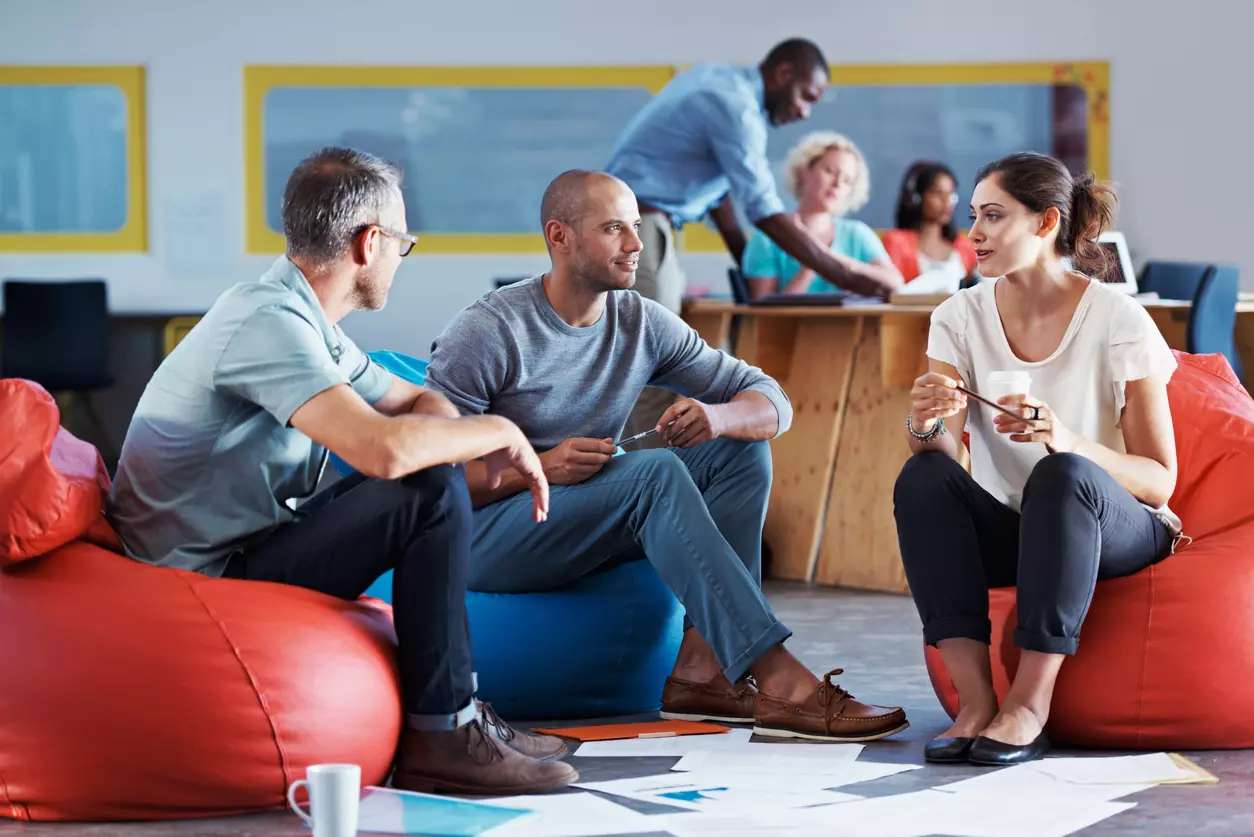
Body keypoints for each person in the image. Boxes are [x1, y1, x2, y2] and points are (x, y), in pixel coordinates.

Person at [106, 147, 578, 795]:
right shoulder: (267, 324)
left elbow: (410, 399)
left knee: (429, 475)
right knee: (431, 488)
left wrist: (445, 433)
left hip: (246, 546)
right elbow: (382, 451)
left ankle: (461, 716)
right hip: (204, 582)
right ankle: (442, 734)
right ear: (368, 243)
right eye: (402, 244)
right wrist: (496, 430)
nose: (401, 259)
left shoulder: (301, 316)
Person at [424, 169, 909, 743]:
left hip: (574, 513)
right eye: (613, 229)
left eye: (635, 226)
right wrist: (542, 465)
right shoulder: (491, 330)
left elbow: (774, 401)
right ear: (560, 236)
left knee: (736, 450)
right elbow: (428, 477)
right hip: (484, 534)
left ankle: (703, 672)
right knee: (652, 472)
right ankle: (778, 678)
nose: (636, 245)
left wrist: (719, 417)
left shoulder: (640, 321)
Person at [893, 152, 1182, 766]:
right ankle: (975, 703)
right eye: (973, 216)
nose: (973, 234)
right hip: (1021, 526)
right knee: (922, 477)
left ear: (1046, 223)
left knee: (1062, 473)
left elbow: (1159, 482)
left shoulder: (1117, 317)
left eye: (994, 217)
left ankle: (1028, 704)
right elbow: (943, 455)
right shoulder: (958, 315)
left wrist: (1067, 439)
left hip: (1115, 523)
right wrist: (924, 421)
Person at [606, 38, 903, 443]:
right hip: (640, 227)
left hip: (647, 225)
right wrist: (849, 276)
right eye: (805, 97)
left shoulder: (715, 75)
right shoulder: (736, 107)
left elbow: (721, 198)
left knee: (657, 366)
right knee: (652, 371)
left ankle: (651, 482)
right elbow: (762, 208)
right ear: (783, 74)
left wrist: (749, 261)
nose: (804, 112)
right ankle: (648, 487)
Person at [741, 131, 903, 298]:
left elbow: (895, 283)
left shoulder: (858, 234)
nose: (837, 184)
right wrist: (811, 263)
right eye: (830, 171)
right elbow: (763, 315)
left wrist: (825, 256)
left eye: (847, 180)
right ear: (803, 171)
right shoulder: (767, 237)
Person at [881, 160, 979, 288]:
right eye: (937, 193)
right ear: (916, 198)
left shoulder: (965, 246)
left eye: (951, 194)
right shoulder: (896, 242)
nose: (946, 201)